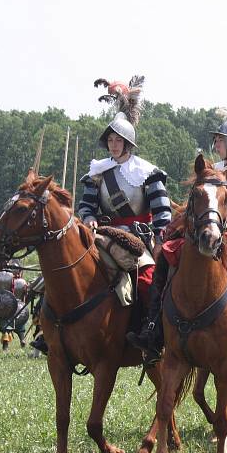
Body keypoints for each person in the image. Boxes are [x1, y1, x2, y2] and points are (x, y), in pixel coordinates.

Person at [128, 72, 227, 361]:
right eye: (216, 140)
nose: (216, 144)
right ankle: (153, 329)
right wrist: (172, 227)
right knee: (166, 259)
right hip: (208, 231)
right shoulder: (214, 173)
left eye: (221, 140)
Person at [79, 75, 171, 309]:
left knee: (149, 283)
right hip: (102, 233)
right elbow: (86, 206)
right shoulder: (98, 171)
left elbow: (162, 211)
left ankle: (150, 331)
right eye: (110, 139)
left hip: (138, 236)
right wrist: (88, 218)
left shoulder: (147, 172)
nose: (113, 144)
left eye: (118, 140)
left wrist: (160, 240)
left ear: (127, 143)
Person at [0, 260, 29, 350]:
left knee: (0, 324)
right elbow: (15, 292)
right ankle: (22, 339)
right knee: (19, 326)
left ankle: (1, 345)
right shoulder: (18, 280)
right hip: (15, 304)